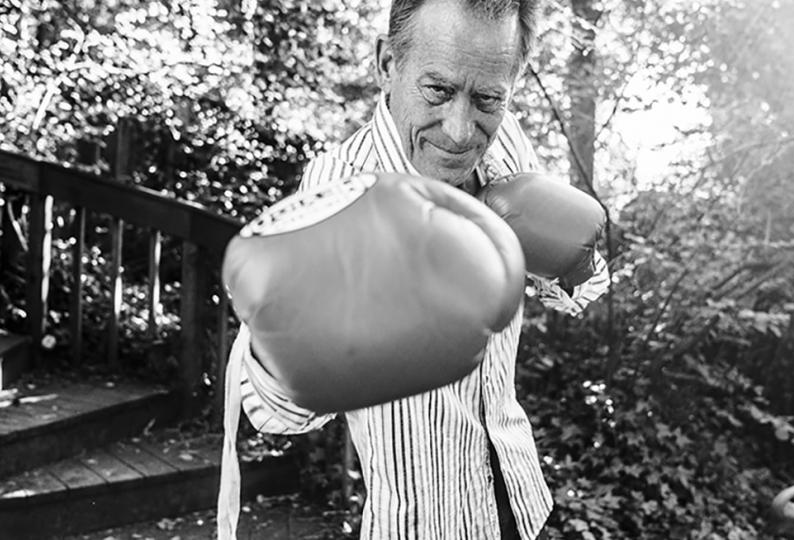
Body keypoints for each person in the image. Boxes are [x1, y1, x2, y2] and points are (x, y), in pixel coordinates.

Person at [217, 0, 609, 538]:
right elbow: (272, 412)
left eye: (487, 99)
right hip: (421, 525)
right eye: (438, 90)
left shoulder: (505, 142)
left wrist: (571, 265)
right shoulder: (339, 189)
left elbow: (580, 289)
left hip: (522, 503)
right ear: (386, 65)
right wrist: (286, 344)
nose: (459, 130)